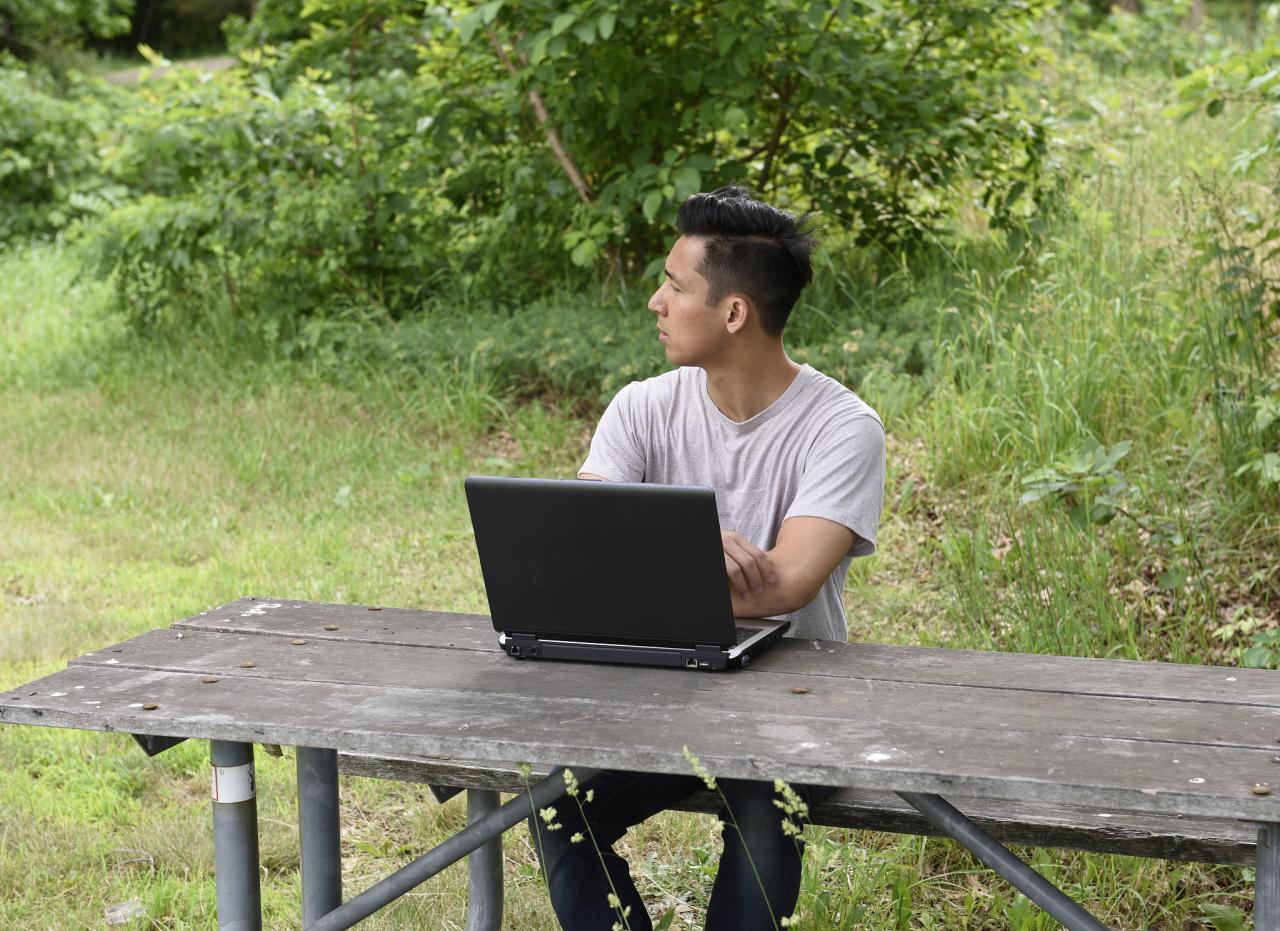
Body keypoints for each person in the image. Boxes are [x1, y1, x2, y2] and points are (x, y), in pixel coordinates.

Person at [529, 185, 886, 931]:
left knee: (763, 813)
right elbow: (580, 551)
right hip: (658, 694)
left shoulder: (843, 428)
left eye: (674, 284)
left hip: (793, 708)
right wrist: (689, 554)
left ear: (733, 312)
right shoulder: (641, 407)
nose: (655, 301)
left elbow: (786, 583)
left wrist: (647, 562)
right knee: (558, 806)